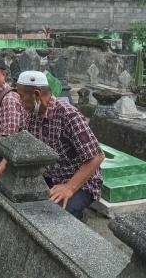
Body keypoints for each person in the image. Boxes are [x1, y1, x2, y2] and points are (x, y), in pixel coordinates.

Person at [15, 71, 105, 221]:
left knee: (53, 218)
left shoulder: (68, 115)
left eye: (22, 96)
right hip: (51, 177)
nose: (20, 101)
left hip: (79, 182)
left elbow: (96, 157)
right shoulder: (32, 115)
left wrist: (69, 188)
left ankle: (79, 213)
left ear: (36, 94)